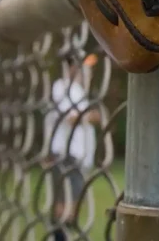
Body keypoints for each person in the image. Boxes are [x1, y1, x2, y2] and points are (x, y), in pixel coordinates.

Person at [45, 55, 101, 240]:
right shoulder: (63, 87)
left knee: (75, 203)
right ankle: (59, 237)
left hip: (78, 155)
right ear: (72, 67)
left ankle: (62, 236)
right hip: (66, 154)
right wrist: (91, 116)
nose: (87, 70)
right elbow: (70, 118)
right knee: (65, 204)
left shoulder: (78, 90)